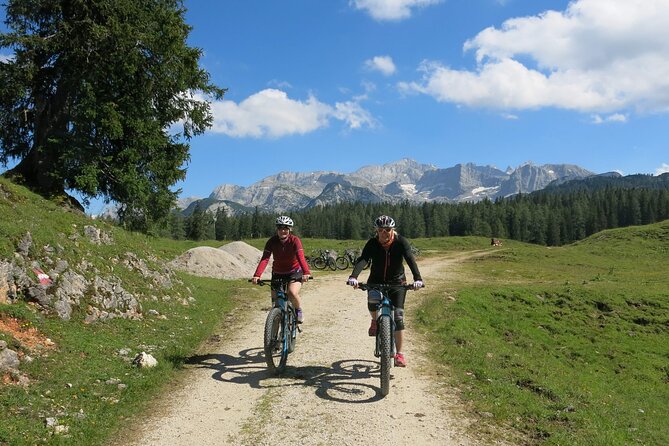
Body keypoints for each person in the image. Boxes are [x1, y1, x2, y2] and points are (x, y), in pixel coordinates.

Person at [347, 215, 423, 367]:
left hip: (397, 282)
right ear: (377, 231)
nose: (384, 233)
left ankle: (399, 355)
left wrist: (417, 279)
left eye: (387, 230)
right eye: (380, 230)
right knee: (372, 303)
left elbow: (409, 258)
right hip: (376, 281)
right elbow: (363, 259)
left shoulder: (401, 242)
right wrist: (353, 276)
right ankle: (375, 321)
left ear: (392, 230)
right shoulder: (372, 243)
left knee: (399, 317)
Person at [252, 216, 311, 323]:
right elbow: (265, 259)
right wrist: (257, 275)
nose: (282, 231)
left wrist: (306, 272)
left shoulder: (295, 240)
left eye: (285, 228)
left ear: (289, 230)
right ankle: (273, 333)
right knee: (275, 303)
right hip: (278, 273)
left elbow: (300, 257)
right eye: (280, 228)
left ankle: (298, 310)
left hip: (294, 272)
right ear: (277, 229)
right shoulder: (272, 241)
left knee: (292, 292)